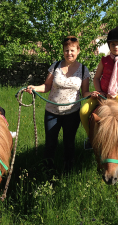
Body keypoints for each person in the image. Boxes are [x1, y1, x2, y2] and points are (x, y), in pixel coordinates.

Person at [25, 36, 91, 171]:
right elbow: (46, 86)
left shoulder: (84, 70)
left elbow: (85, 93)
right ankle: (47, 170)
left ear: (78, 50)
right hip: (52, 112)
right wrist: (34, 88)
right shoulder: (55, 66)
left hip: (72, 113)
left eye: (72, 50)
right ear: (63, 51)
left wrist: (94, 94)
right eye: (66, 50)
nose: (69, 53)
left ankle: (67, 170)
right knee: (50, 143)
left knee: (69, 143)